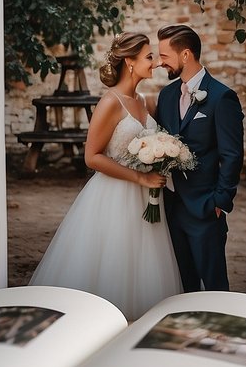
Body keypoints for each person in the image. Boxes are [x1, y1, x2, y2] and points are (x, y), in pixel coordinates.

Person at [29, 33, 183, 319]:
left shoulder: (147, 101)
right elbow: (92, 156)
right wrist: (139, 178)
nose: (155, 63)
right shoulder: (110, 103)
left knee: (144, 264)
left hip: (147, 196)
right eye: (149, 57)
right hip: (115, 195)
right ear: (130, 61)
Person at [154, 24, 245, 292]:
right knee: (184, 285)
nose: (160, 63)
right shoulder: (167, 95)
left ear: (185, 55)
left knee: (215, 286)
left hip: (205, 208)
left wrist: (220, 201)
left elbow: (232, 154)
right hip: (171, 206)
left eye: (164, 56)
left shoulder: (221, 97)